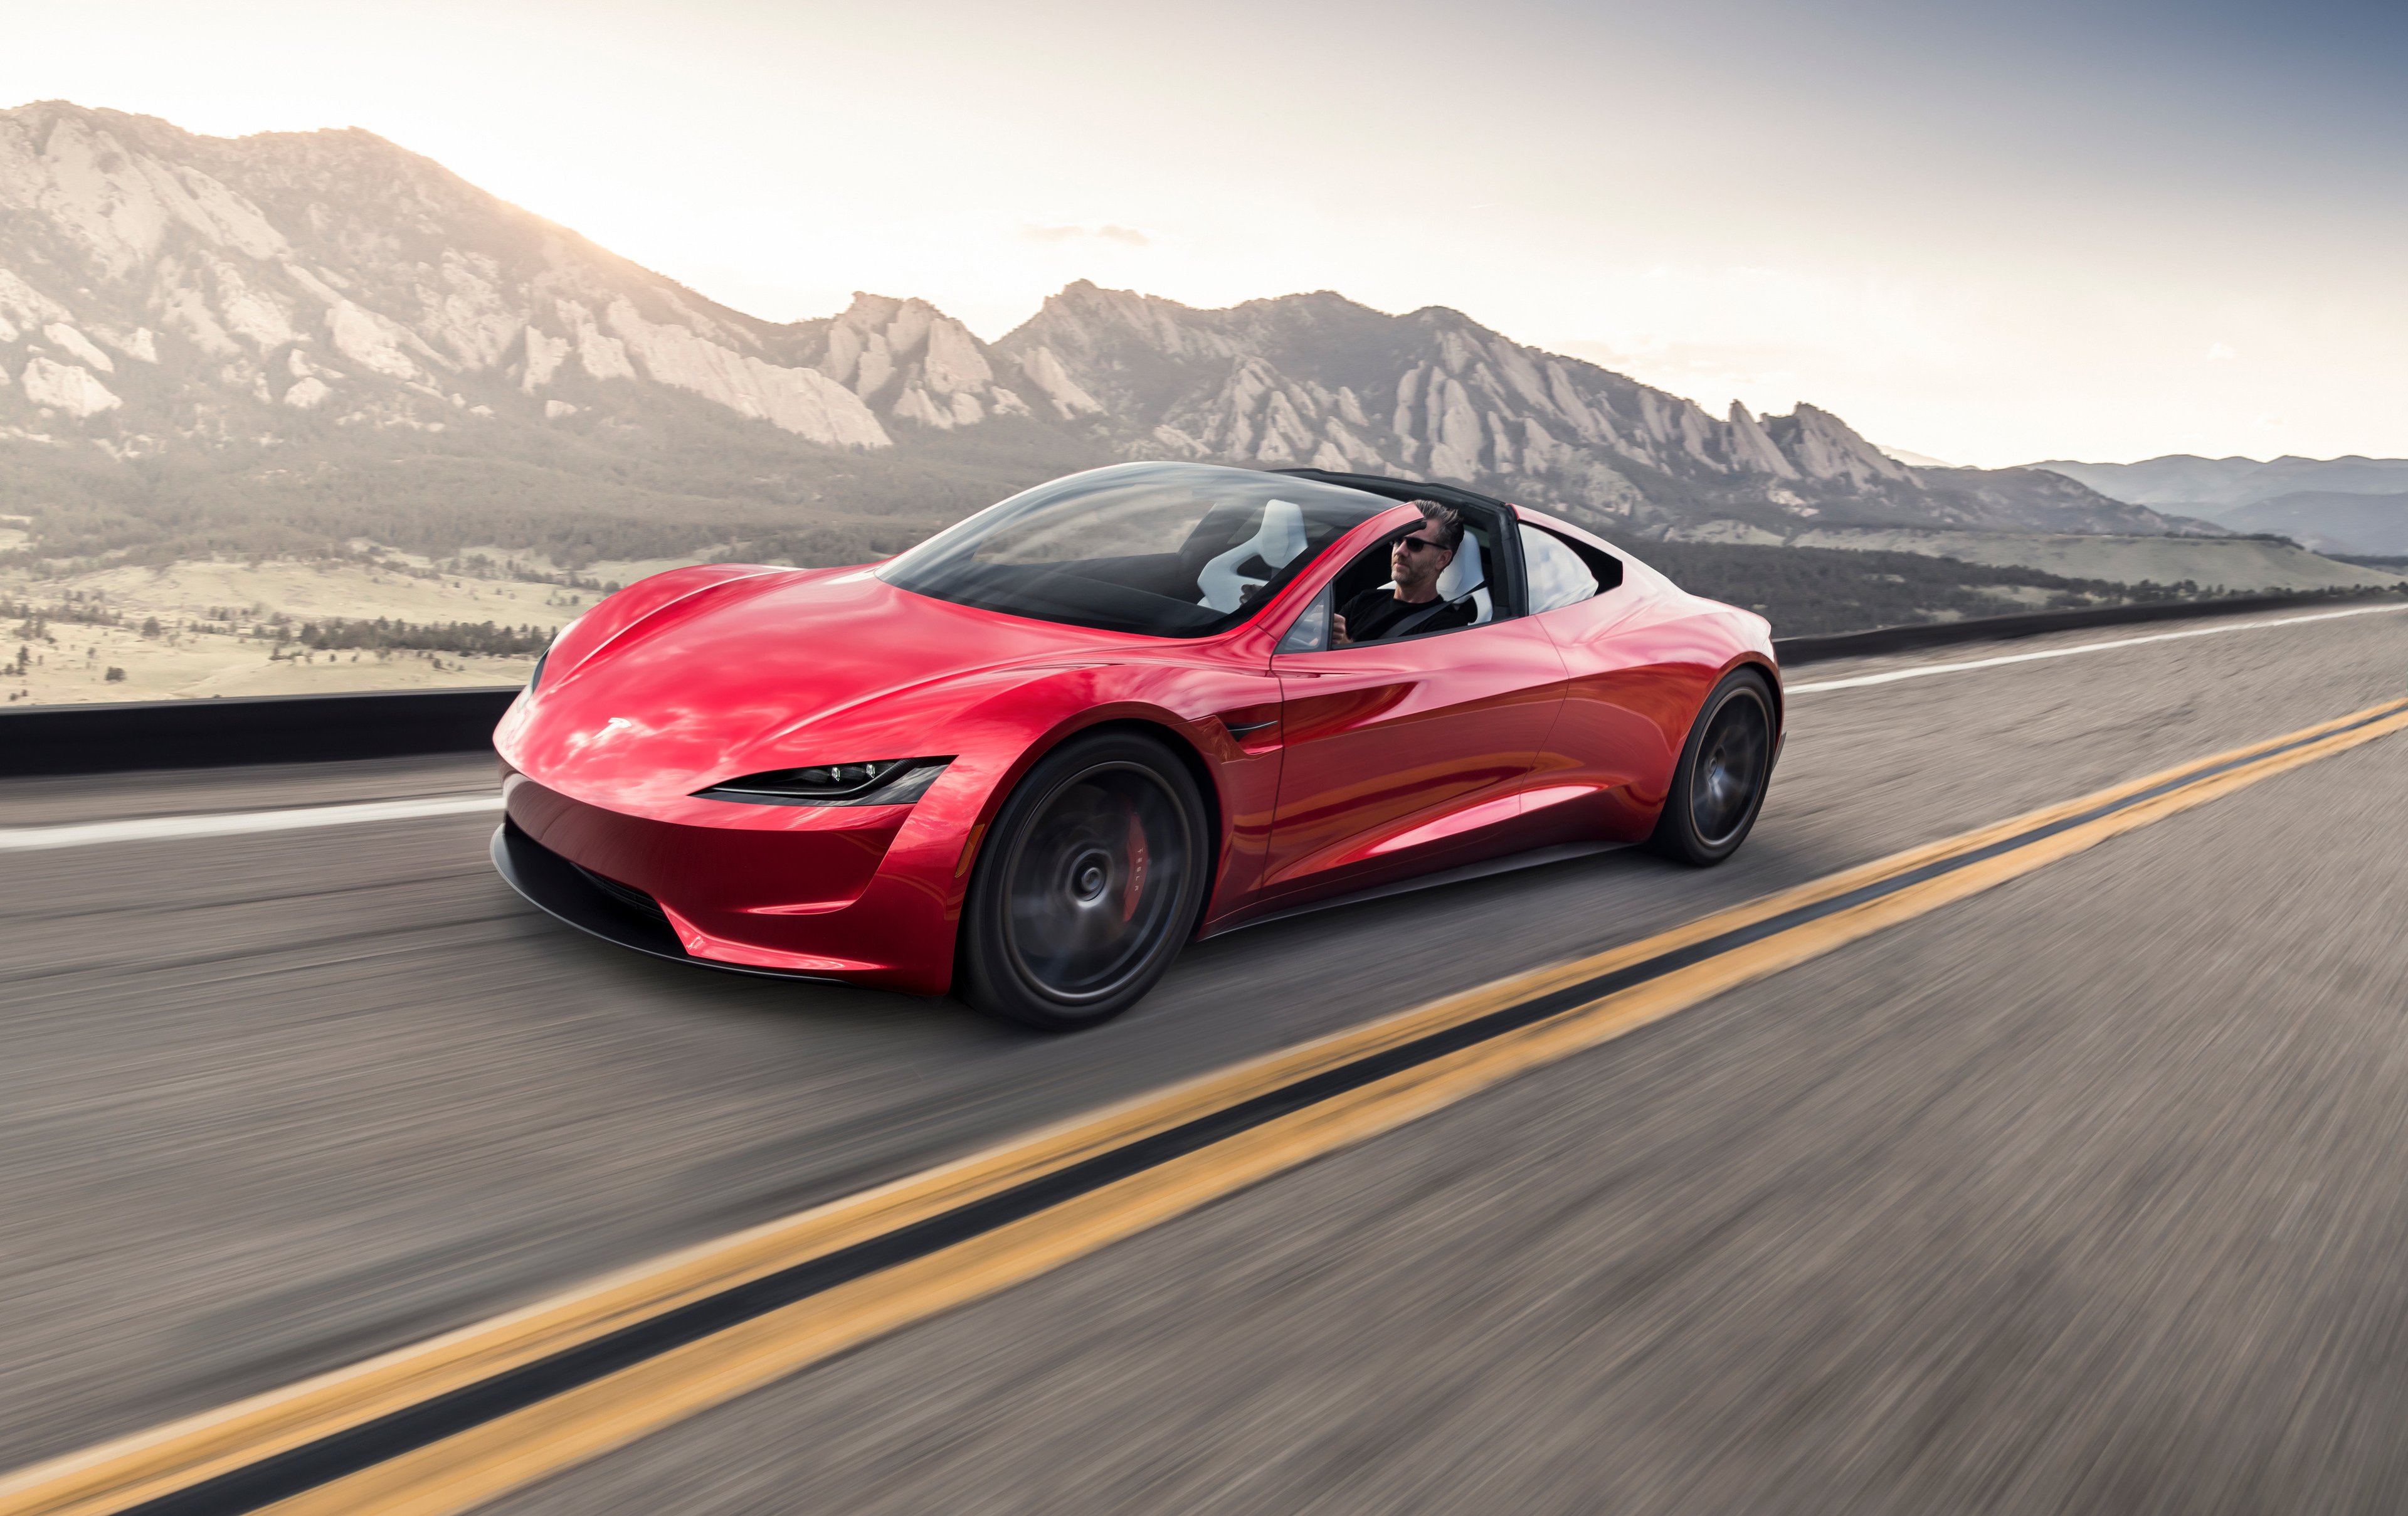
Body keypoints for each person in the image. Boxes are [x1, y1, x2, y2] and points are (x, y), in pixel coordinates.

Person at [1331, 501, 1476, 644]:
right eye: (1398, 540)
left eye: (1415, 545)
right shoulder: (1364, 601)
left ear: (1442, 559)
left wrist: (1343, 645)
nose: (1400, 551)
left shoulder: (1447, 627)